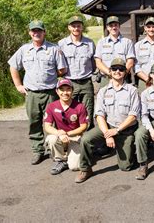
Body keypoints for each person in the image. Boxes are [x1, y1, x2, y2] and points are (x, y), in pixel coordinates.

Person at [8, 20, 67, 165]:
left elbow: (62, 70)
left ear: (44, 32)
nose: (36, 33)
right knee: (34, 123)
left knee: (55, 122)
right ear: (29, 33)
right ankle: (38, 151)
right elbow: (13, 66)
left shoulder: (54, 49)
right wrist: (18, 85)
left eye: (39, 30)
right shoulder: (24, 50)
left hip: (51, 93)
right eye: (33, 31)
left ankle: (57, 151)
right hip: (32, 93)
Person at [75, 58, 140, 183]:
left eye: (121, 69)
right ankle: (85, 168)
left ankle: (129, 152)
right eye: (114, 68)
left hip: (125, 130)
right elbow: (99, 115)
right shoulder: (103, 91)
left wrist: (117, 130)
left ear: (125, 72)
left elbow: (133, 116)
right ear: (110, 71)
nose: (117, 71)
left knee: (125, 167)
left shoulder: (132, 91)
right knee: (86, 139)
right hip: (108, 127)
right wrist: (107, 134)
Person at [43, 79, 88, 175]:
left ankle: (73, 154)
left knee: (74, 167)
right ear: (57, 91)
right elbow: (47, 126)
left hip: (75, 137)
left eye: (68, 89)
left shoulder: (80, 106)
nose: (65, 93)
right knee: (51, 138)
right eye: (62, 90)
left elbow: (84, 126)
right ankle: (60, 160)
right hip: (61, 136)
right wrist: (59, 133)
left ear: (72, 90)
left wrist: (67, 134)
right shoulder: (51, 106)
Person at [58, 15, 96, 121]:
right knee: (68, 110)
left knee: (88, 112)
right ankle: (70, 134)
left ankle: (88, 135)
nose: (76, 28)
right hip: (69, 82)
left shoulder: (89, 43)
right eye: (73, 26)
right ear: (69, 27)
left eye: (78, 26)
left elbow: (94, 63)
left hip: (86, 82)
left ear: (82, 27)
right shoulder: (62, 44)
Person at [94, 16, 135, 87]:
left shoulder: (127, 42)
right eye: (111, 25)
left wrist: (121, 74)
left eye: (116, 25)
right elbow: (98, 62)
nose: (114, 28)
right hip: (106, 78)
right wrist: (110, 73)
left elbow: (130, 62)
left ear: (119, 26)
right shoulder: (101, 42)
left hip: (123, 78)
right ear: (107, 27)